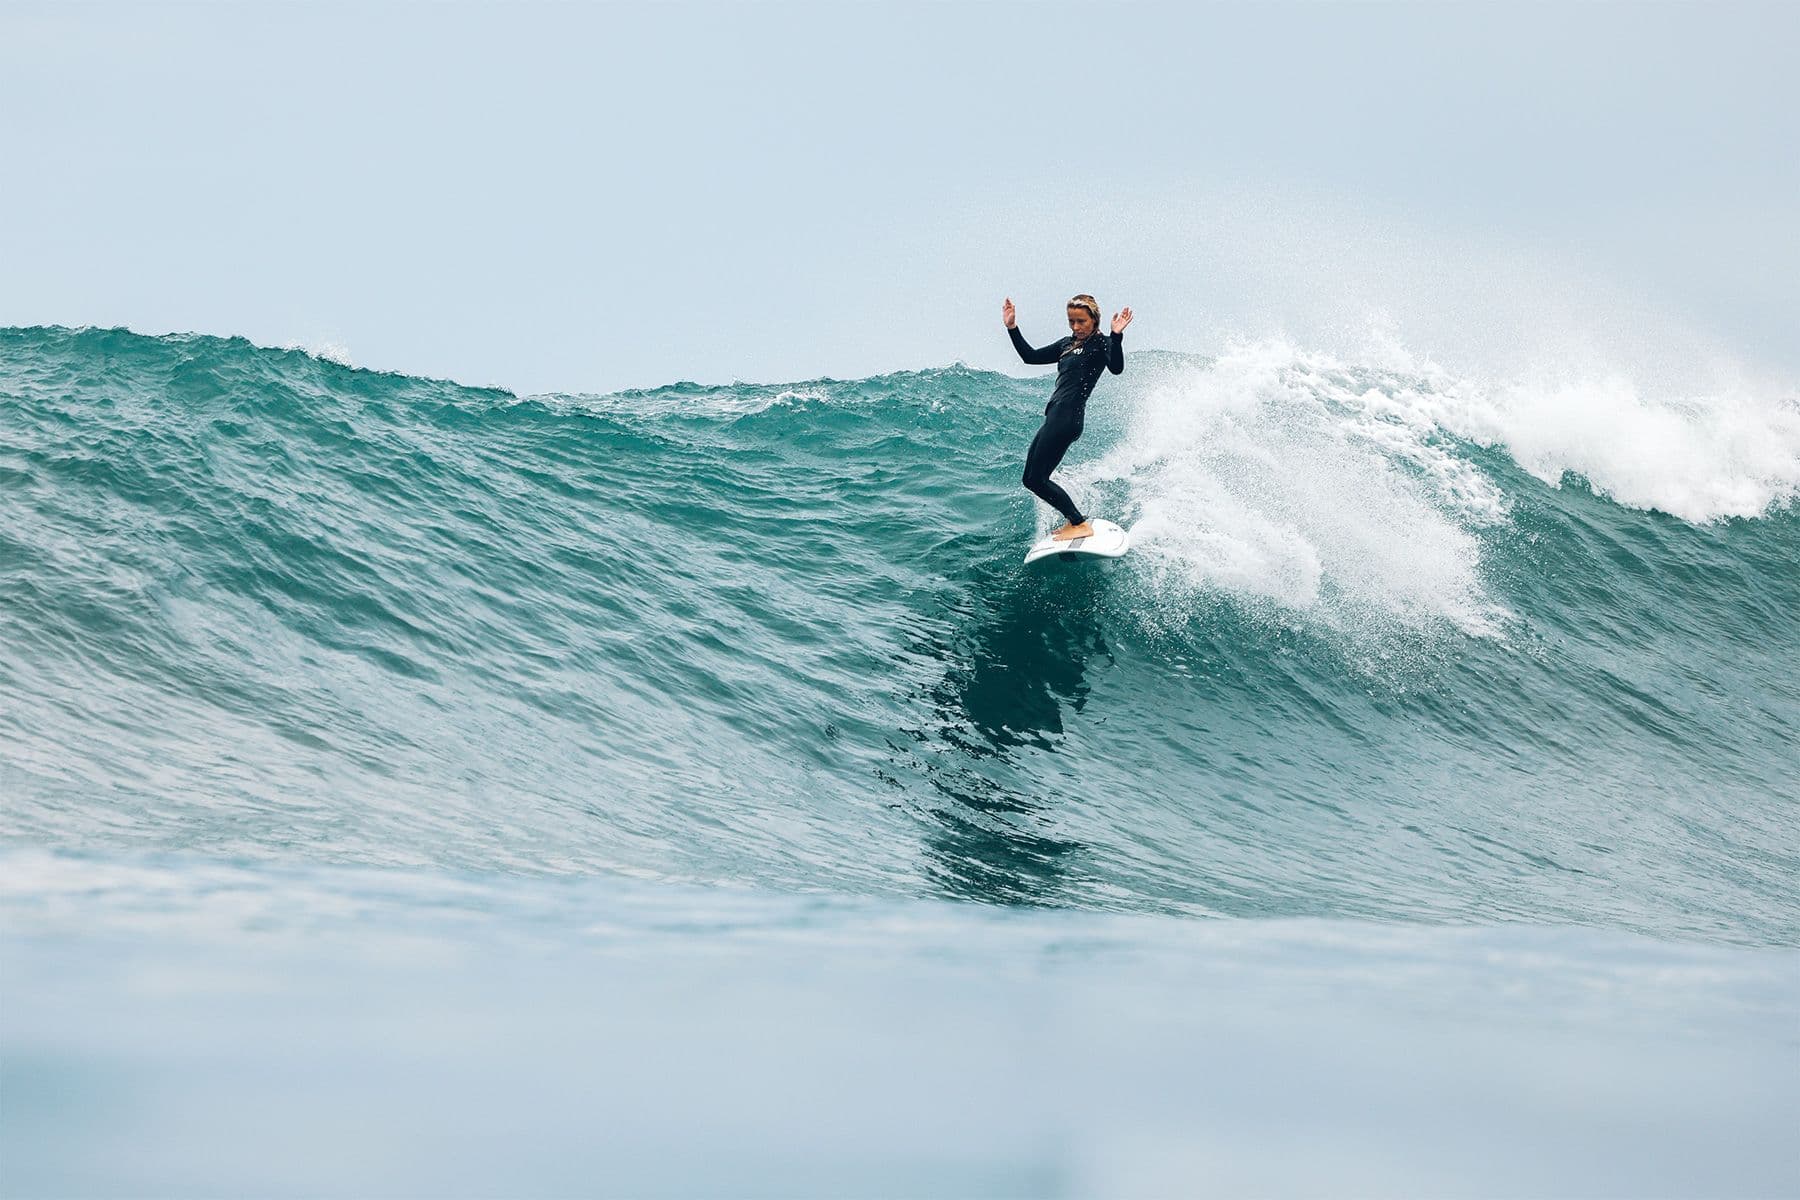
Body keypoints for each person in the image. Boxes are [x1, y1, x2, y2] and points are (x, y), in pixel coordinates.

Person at [1003, 294, 1133, 540]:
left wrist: (1116, 335)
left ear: (1094, 320)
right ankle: (1075, 521)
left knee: (1037, 479)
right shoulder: (1066, 344)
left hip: (1068, 417)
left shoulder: (1102, 344)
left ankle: (1078, 522)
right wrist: (1012, 328)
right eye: (1072, 321)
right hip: (1054, 416)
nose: (1076, 327)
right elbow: (1029, 357)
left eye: (1081, 321)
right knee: (1031, 479)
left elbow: (1116, 368)